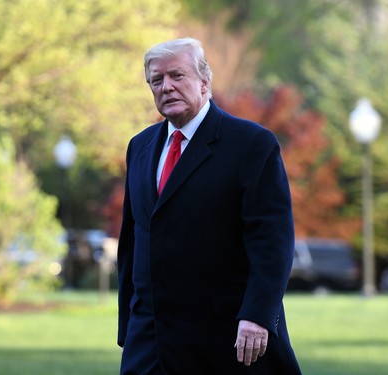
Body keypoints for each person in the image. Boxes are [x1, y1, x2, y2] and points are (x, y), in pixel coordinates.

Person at [117, 37, 302, 375]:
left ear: (204, 81)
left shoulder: (250, 144)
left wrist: (257, 315)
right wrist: (127, 326)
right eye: (156, 80)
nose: (166, 87)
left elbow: (272, 242)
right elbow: (133, 240)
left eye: (177, 76)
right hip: (150, 340)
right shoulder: (140, 147)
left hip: (226, 337)